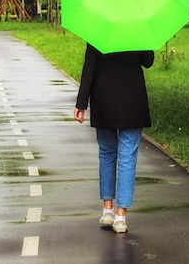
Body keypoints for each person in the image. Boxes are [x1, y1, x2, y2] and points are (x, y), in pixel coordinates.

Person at [73, 43, 154, 233]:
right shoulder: (138, 28)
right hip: (133, 100)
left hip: (104, 99)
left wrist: (81, 103)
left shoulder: (99, 27)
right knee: (127, 157)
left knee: (107, 154)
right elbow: (148, 62)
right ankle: (121, 216)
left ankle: (107, 210)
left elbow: (90, 67)